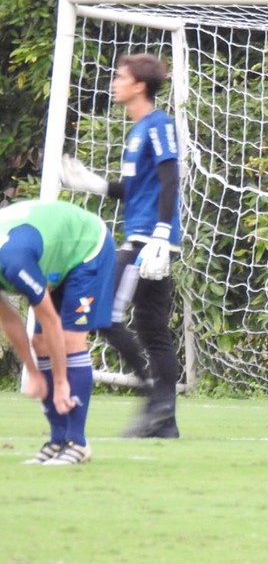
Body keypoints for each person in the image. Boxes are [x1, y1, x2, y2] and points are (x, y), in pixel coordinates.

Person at [60, 53, 182, 438]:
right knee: (152, 329)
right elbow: (136, 191)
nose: (114, 83)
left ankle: (153, 399)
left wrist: (162, 232)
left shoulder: (159, 124)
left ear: (139, 86)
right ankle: (165, 421)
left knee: (104, 314)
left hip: (149, 241)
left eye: (120, 77)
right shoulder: (137, 131)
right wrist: (94, 184)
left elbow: (170, 177)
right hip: (144, 236)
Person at [0, 199, 117, 464]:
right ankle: (57, 440)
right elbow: (9, 321)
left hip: (87, 248)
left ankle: (77, 442)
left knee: (69, 340)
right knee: (39, 343)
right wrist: (32, 371)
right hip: (52, 253)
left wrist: (61, 381)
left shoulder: (14, 263)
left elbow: (51, 321)